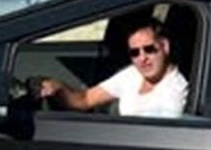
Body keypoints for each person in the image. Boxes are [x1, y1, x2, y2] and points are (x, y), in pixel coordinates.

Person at [39, 20, 188, 118]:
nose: (142, 58)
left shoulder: (175, 91)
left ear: (164, 46)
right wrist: (58, 88)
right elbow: (86, 99)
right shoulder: (132, 74)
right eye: (134, 53)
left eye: (149, 49)